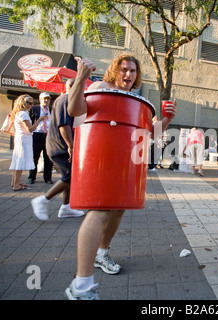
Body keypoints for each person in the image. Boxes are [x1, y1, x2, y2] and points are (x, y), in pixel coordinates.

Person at [65, 54, 177, 300]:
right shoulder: (99, 88)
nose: (128, 75)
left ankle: (101, 253)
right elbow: (75, 111)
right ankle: (81, 286)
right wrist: (82, 76)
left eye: (133, 71)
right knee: (99, 211)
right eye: (124, 69)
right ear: (114, 69)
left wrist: (168, 118)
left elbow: (150, 134)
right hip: (100, 157)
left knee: (118, 209)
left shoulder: (136, 99)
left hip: (124, 161)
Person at [31, 79, 85, 221]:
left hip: (60, 144)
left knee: (69, 176)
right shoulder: (65, 100)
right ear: (74, 87)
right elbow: (64, 125)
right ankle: (43, 200)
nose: (83, 91)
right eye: (82, 87)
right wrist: (71, 146)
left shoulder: (67, 100)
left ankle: (66, 207)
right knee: (72, 175)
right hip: (60, 145)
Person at [9, 95, 46, 191]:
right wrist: (39, 120)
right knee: (20, 162)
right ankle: (16, 184)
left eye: (32, 103)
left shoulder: (18, 113)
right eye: (29, 103)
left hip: (20, 138)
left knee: (17, 161)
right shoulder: (23, 114)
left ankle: (14, 182)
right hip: (24, 140)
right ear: (23, 103)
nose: (31, 105)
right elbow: (30, 129)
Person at [28, 92, 54, 184]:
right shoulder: (34, 109)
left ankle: (48, 178)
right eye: (44, 98)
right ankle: (32, 177)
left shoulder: (52, 110)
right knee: (35, 157)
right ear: (40, 99)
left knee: (48, 158)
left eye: (48, 99)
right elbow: (29, 122)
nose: (46, 100)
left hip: (48, 135)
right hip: (37, 135)